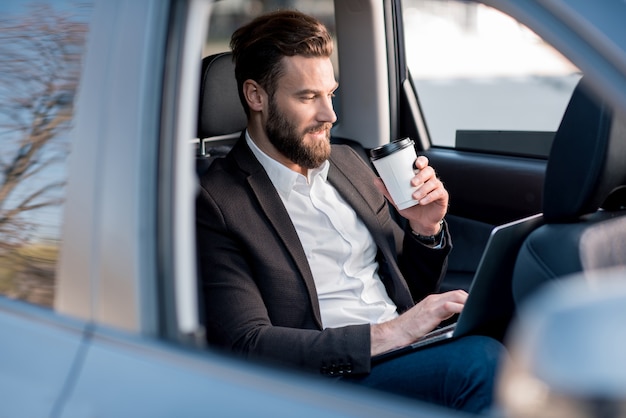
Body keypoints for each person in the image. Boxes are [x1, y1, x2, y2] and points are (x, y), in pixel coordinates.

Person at [196, 9, 503, 413]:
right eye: (308, 97)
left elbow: (405, 290)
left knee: (520, 331)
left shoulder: (348, 162)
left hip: (401, 350)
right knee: (479, 364)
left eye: (331, 94)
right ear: (256, 96)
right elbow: (248, 344)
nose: (330, 114)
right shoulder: (217, 200)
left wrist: (425, 230)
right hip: (330, 381)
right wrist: (394, 331)